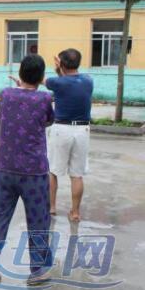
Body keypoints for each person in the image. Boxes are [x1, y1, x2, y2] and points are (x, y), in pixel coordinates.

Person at [0, 55, 54, 286]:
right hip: (34, 170)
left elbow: (6, 113)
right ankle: (38, 270)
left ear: (20, 73)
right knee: (38, 220)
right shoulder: (45, 98)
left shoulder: (6, 94)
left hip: (5, 167)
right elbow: (48, 121)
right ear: (42, 77)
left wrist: (19, 91)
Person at [45, 49, 93, 222]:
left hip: (61, 129)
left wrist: (57, 69)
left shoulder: (56, 82)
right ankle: (75, 212)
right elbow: (66, 80)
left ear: (62, 64)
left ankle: (51, 208)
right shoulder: (88, 81)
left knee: (53, 171)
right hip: (82, 131)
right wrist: (61, 68)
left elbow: (51, 81)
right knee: (77, 174)